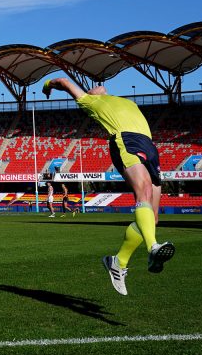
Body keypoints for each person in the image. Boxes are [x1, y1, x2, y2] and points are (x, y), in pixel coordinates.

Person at [43, 77, 174, 296]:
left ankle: (118, 262)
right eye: (93, 87)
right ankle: (152, 247)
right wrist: (47, 86)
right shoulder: (90, 102)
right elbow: (64, 81)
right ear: (92, 94)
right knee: (143, 192)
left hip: (149, 146)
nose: (97, 85)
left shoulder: (124, 101)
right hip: (127, 140)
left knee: (153, 216)